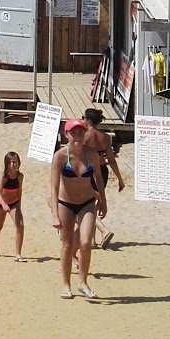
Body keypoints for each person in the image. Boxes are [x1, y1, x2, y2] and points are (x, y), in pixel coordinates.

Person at [51, 119, 106, 300]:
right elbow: (53, 186)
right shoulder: (60, 156)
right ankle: (66, 285)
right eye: (73, 133)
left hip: (87, 203)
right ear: (66, 134)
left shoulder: (92, 154)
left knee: (85, 242)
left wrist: (104, 201)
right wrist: (54, 214)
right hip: (65, 204)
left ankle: (83, 282)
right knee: (67, 244)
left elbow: (98, 178)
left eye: (80, 133)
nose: (77, 137)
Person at [83, 107, 124, 249]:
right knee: (94, 203)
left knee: (85, 205)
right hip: (103, 171)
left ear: (87, 120)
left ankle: (103, 231)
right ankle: (92, 240)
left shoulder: (85, 136)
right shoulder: (105, 137)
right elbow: (111, 160)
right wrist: (120, 178)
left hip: (88, 171)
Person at [0, 151, 25, 261]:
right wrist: (4, 204)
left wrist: (19, 205)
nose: (13, 164)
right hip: (0, 203)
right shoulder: (3, 176)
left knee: (20, 225)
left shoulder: (20, 176)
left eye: (15, 162)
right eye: (10, 162)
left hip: (14, 203)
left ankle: (18, 254)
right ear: (6, 163)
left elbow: (19, 191)